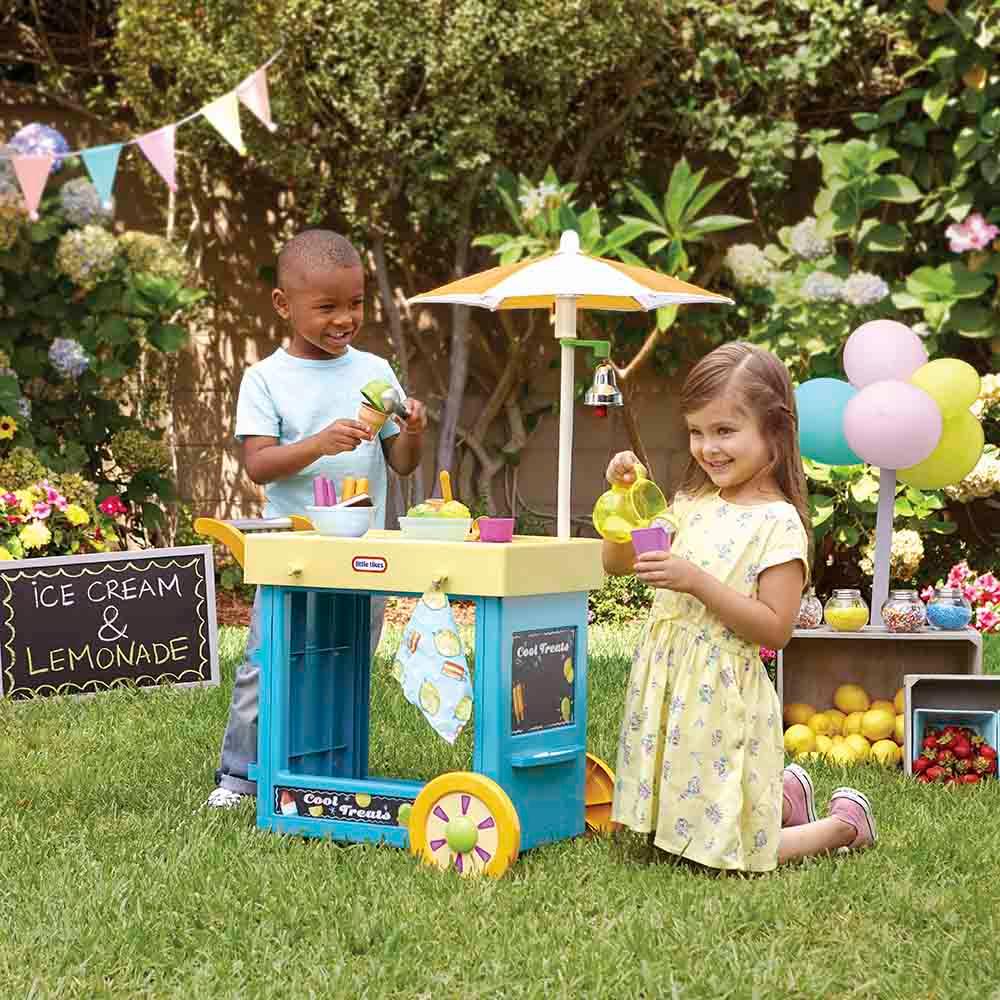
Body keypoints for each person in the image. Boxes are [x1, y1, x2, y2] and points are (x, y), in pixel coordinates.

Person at [602, 342, 876, 871]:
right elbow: (615, 561)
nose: (707, 447)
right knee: (673, 836)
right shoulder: (692, 503)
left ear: (775, 431)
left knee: (724, 856)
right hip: (672, 686)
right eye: (697, 431)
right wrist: (620, 498)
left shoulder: (778, 524)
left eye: (725, 431)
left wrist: (697, 582)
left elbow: (775, 630)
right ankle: (784, 798)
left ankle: (843, 826)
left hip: (719, 699)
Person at [206, 229, 427, 808]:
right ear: (284, 305)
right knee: (268, 660)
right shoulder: (266, 379)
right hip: (294, 551)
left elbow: (400, 462)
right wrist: (319, 444)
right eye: (326, 307)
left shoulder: (375, 368)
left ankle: (331, 765)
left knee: (345, 661)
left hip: (364, 550)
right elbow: (259, 465)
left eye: (354, 303)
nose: (344, 318)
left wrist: (415, 432)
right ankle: (238, 776)